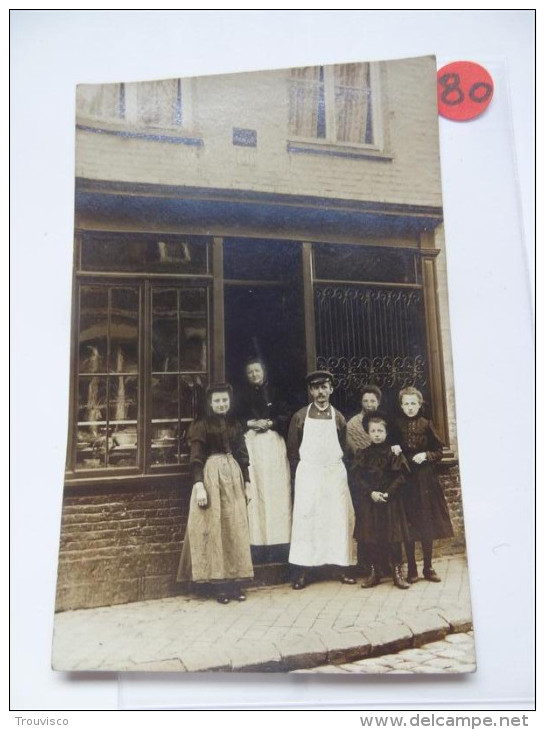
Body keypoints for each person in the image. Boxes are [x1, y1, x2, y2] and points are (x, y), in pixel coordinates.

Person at [176, 384, 254, 604]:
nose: (222, 404)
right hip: (211, 479)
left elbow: (242, 455)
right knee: (214, 528)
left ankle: (235, 583)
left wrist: (247, 482)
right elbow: (196, 458)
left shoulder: (235, 424)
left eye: (225, 400)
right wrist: (199, 485)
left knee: (234, 529)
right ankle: (219, 585)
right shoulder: (201, 425)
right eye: (217, 401)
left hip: (233, 479)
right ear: (210, 403)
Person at [287, 370, 357, 589]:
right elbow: (292, 450)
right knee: (306, 520)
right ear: (310, 391)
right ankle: (302, 570)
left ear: (331, 389)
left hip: (333, 474)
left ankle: (341, 567)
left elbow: (345, 448)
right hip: (309, 473)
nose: (320, 392)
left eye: (324, 387)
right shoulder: (300, 417)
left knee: (337, 520)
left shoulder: (338, 417)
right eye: (316, 388)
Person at [391, 387, 454, 583]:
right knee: (409, 525)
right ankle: (412, 568)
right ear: (401, 406)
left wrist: (426, 455)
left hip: (425, 479)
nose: (410, 408)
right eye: (406, 404)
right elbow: (389, 446)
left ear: (420, 405)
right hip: (406, 479)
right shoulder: (396, 425)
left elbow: (439, 451)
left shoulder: (427, 425)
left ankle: (428, 566)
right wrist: (393, 447)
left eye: (413, 404)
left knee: (426, 522)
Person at [236, 359, 292, 564]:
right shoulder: (240, 395)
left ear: (264, 372)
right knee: (257, 491)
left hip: (273, 444)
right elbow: (234, 418)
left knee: (276, 493)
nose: (253, 374)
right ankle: (257, 546)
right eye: (249, 372)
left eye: (256, 370)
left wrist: (270, 422)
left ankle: (279, 545)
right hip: (252, 445)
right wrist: (250, 423)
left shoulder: (276, 392)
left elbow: (287, 416)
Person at [349, 412, 411, 590]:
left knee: (394, 538)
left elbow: (400, 476)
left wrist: (388, 494)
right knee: (372, 538)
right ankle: (374, 572)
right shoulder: (363, 454)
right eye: (373, 431)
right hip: (371, 502)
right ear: (368, 433)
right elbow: (357, 478)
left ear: (386, 432)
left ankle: (397, 574)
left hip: (390, 501)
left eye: (380, 431)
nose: (376, 434)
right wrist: (371, 493)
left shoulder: (393, 452)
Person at [346, 385, 383, 457]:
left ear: (378, 403)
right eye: (365, 401)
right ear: (361, 402)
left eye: (372, 401)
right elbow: (352, 450)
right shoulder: (353, 424)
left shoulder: (383, 422)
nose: (369, 405)